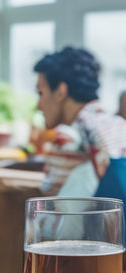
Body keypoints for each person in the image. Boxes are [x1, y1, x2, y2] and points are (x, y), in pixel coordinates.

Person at [32, 46, 126, 196]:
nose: (38, 105)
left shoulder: (70, 138)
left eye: (41, 93)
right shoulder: (118, 126)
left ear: (61, 91)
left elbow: (53, 210)